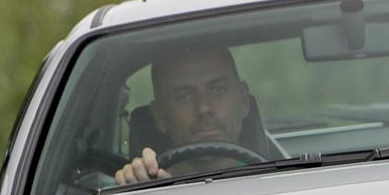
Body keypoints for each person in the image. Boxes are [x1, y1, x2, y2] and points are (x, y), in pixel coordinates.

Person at [113, 43, 285, 184]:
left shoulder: (283, 185)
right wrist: (136, 186)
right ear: (160, 116)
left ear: (244, 101)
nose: (203, 108)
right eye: (184, 97)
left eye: (218, 90)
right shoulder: (142, 187)